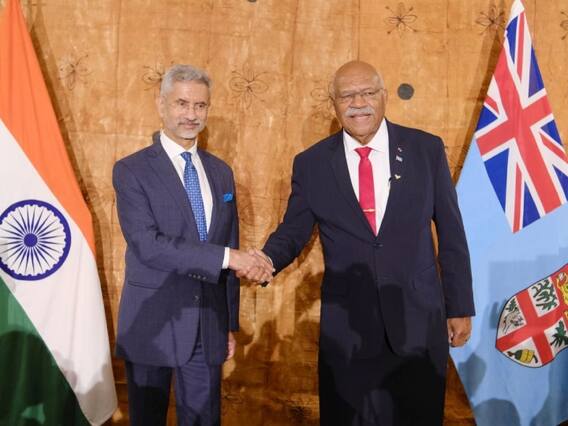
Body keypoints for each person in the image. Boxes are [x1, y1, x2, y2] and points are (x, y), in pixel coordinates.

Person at [248, 61, 475, 425]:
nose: (358, 103)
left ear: (384, 96)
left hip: (418, 321)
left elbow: (451, 233)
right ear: (333, 104)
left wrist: (459, 305)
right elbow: (293, 231)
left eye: (368, 92)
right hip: (348, 332)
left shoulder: (425, 149)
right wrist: (266, 260)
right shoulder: (311, 164)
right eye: (347, 96)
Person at [112, 64, 272, 426]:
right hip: (152, 322)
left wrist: (227, 323)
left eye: (200, 105)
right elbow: (148, 245)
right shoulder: (131, 170)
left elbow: (229, 241)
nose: (191, 114)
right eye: (182, 103)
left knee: (204, 420)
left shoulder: (221, 172)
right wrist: (229, 257)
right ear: (161, 104)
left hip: (207, 325)